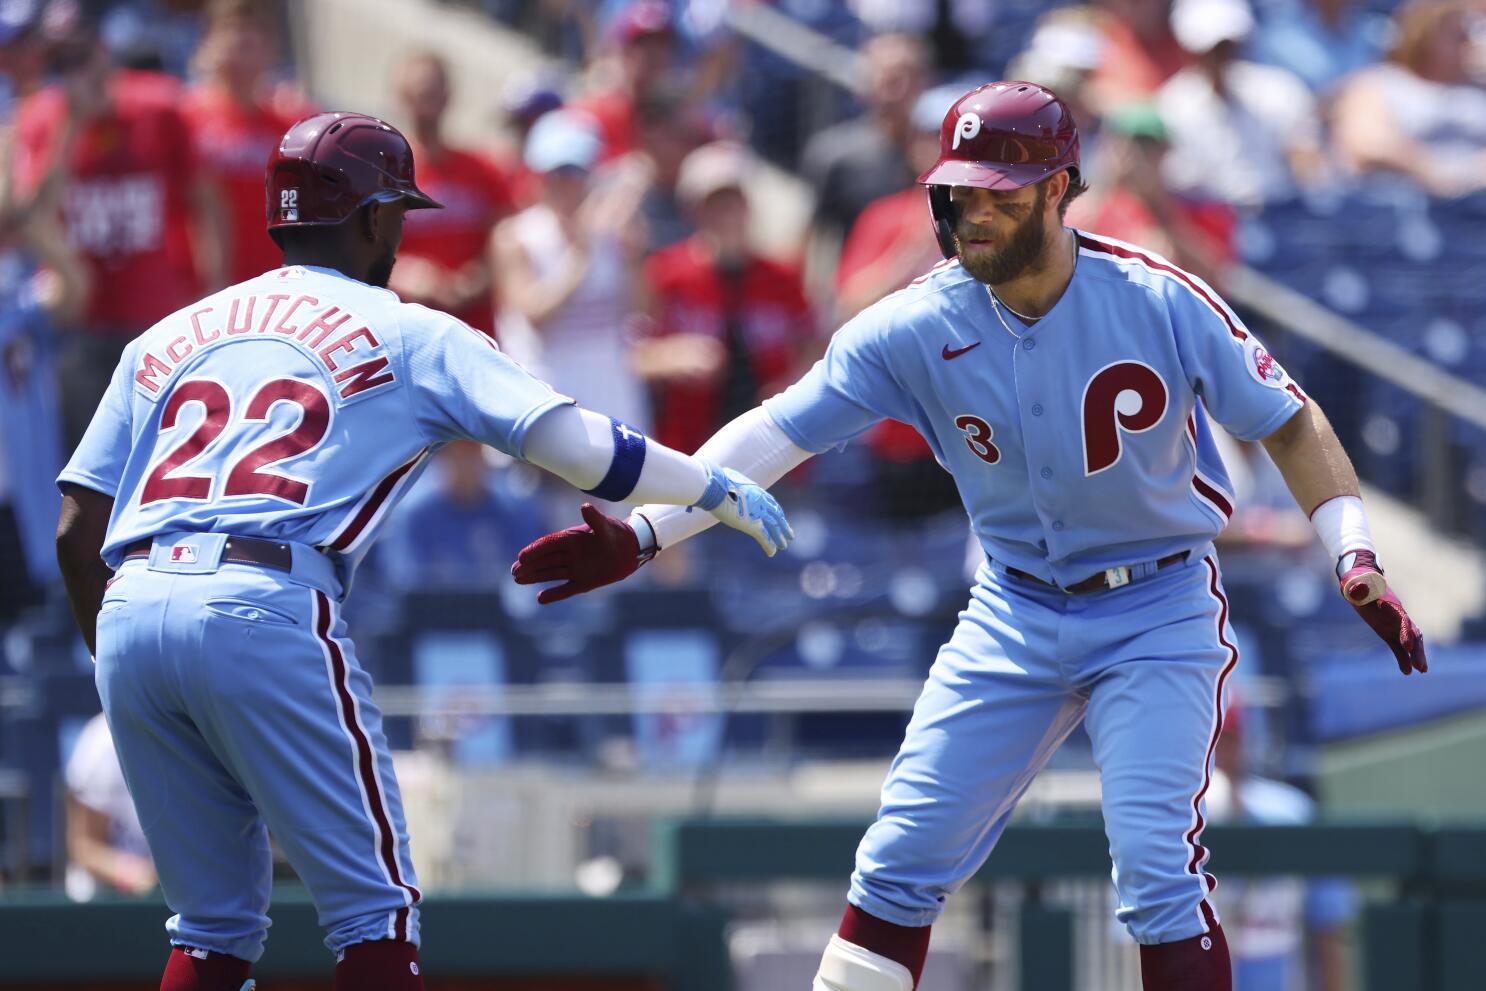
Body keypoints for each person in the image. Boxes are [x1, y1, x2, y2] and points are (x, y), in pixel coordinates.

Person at [512, 81, 1427, 990]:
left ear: (1061, 188)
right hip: (1015, 604)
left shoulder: (1155, 297)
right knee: (899, 857)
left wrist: (1352, 549)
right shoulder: (918, 319)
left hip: (1156, 602)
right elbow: (775, 431)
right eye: (960, 191)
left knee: (1156, 871)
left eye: (1003, 191)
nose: (975, 212)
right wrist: (646, 531)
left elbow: (1287, 417)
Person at [52, 111, 791, 991]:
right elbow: (579, 447)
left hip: (131, 606)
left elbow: (74, 527)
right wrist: (708, 485)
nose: (400, 234)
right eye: (396, 214)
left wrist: (123, 651)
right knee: (375, 915)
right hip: (264, 596)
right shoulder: (411, 330)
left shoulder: (166, 336)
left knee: (209, 928)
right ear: (371, 218)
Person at [10, 6, 226, 450]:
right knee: (94, 461)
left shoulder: (160, 103)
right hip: (77, 324)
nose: (72, 73)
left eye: (80, 58)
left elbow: (207, 201)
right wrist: (70, 127)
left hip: (157, 314)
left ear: (103, 52)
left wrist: (212, 289)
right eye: (60, 63)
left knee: (172, 452)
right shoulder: (39, 117)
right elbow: (35, 213)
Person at [634, 141, 815, 456]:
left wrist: (791, 382)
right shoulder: (665, 273)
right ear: (694, 212)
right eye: (714, 206)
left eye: (734, 203)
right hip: (690, 449)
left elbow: (813, 342)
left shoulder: (781, 277)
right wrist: (670, 356)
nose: (727, 215)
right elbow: (629, 354)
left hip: (774, 445)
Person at [493, 108, 651, 431]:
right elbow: (535, 317)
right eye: (557, 173)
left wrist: (634, 257)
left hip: (614, 412)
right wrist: (581, 254)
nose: (567, 185)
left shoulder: (613, 233)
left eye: (576, 173)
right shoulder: (516, 237)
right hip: (545, 418)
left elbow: (643, 311)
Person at [1208, 701, 1355, 991]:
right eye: (1206, 742)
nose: (1217, 753)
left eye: (1225, 739)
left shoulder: (1291, 814)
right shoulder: (1170, 826)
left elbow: (1328, 931)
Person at [182, 0, 310, 290]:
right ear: (207, 44)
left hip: (275, 286)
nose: (240, 44)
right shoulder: (184, 117)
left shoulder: (296, 124)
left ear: (271, 48)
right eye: (230, 32)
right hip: (199, 290)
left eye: (252, 36)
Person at [388, 50, 513, 339]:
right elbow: (359, 253)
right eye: (418, 93)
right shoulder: (381, 174)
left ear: (448, 97)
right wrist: (401, 273)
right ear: (401, 98)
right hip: (410, 330)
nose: (426, 102)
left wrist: (480, 277)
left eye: (434, 92)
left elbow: (508, 235)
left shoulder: (483, 170)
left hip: (475, 331)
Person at [1157, 0, 1326, 208]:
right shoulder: (1172, 105)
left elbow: (1309, 170)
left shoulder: (1280, 92)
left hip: (1280, 217)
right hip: (1210, 220)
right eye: (1211, 50)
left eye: (1227, 47)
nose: (1220, 57)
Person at [1330, 0, 1486, 197]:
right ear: (1425, 36)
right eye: (1458, 36)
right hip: (1405, 204)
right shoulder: (1381, 82)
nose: (1470, 44)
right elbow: (1365, 144)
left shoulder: (1477, 90)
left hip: (1475, 205)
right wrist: (1428, 168)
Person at [800, 32, 931, 252]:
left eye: (909, 75)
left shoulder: (942, 156)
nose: (900, 88)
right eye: (890, 78)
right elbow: (810, 237)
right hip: (860, 281)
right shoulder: (834, 154)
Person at [64, 711, 155, 901]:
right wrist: (135, 874)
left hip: (178, 898)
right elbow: (84, 846)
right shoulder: (103, 741)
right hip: (102, 903)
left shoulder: (202, 728)